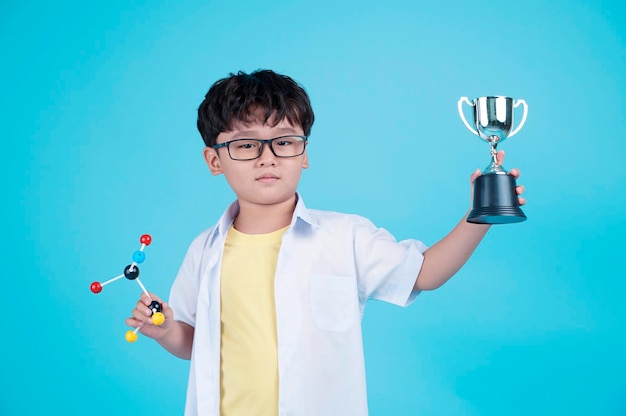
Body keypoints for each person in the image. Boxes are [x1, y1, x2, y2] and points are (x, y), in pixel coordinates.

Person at [127, 69, 526, 416]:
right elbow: (194, 341)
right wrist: (163, 329)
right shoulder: (205, 250)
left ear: (304, 154)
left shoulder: (344, 237)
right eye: (246, 145)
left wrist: (481, 213)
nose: (268, 158)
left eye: (284, 141)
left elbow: (424, 272)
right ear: (215, 160)